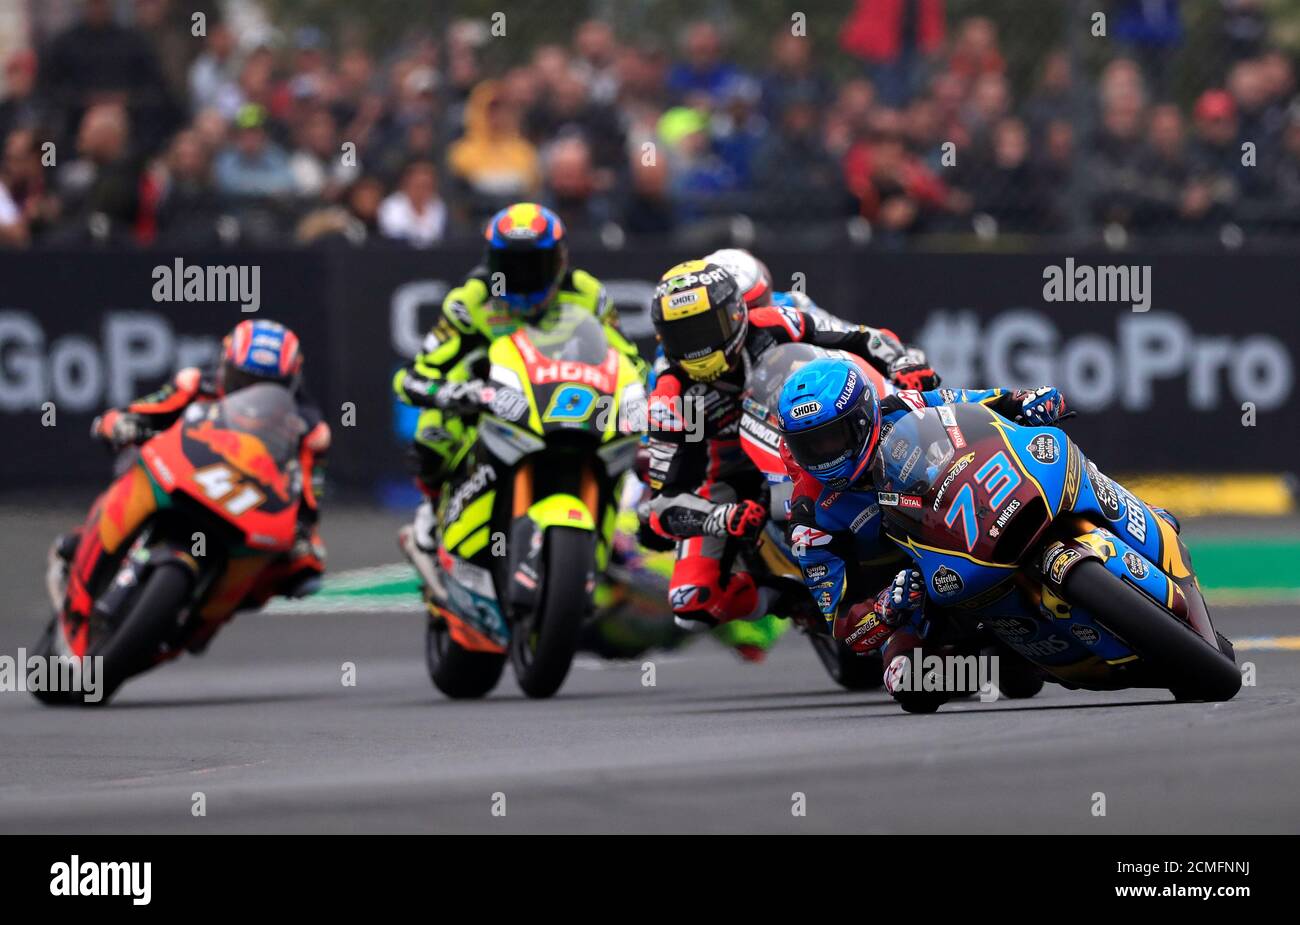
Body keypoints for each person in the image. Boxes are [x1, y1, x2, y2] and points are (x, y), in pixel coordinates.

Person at [641, 257, 937, 628]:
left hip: (794, 433)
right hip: (727, 478)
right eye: (681, 336)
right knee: (691, 604)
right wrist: (720, 517)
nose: (696, 347)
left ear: (735, 315)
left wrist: (901, 363)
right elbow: (663, 504)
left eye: (704, 328)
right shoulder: (668, 396)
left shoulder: (775, 321)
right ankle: (791, 600)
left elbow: (860, 336)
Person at [776, 355, 1068, 693]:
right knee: (906, 681)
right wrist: (884, 607)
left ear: (860, 418)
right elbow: (843, 625)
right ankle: (985, 668)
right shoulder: (808, 518)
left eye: (830, 438)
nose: (824, 454)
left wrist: (1028, 400)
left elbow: (982, 402)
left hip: (974, 517)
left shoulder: (905, 407)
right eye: (809, 446)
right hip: (915, 590)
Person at [391, 202, 643, 568]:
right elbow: (415, 376)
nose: (522, 279)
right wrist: (464, 394)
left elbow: (629, 359)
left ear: (559, 260)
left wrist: (640, 396)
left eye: (533, 267)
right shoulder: (471, 301)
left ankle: (615, 524)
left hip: (570, 403)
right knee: (432, 434)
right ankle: (431, 509)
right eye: (510, 268)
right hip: (494, 405)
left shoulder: (587, 294)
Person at [48, 320, 330, 626]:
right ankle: (90, 540)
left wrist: (303, 529)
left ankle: (210, 610)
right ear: (225, 365)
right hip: (180, 474)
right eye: (243, 380)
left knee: (304, 569)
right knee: (132, 463)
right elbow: (151, 409)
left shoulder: (308, 428)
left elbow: (307, 490)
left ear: (291, 384)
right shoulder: (196, 384)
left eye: (267, 387)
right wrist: (123, 421)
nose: (252, 394)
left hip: (245, 502)